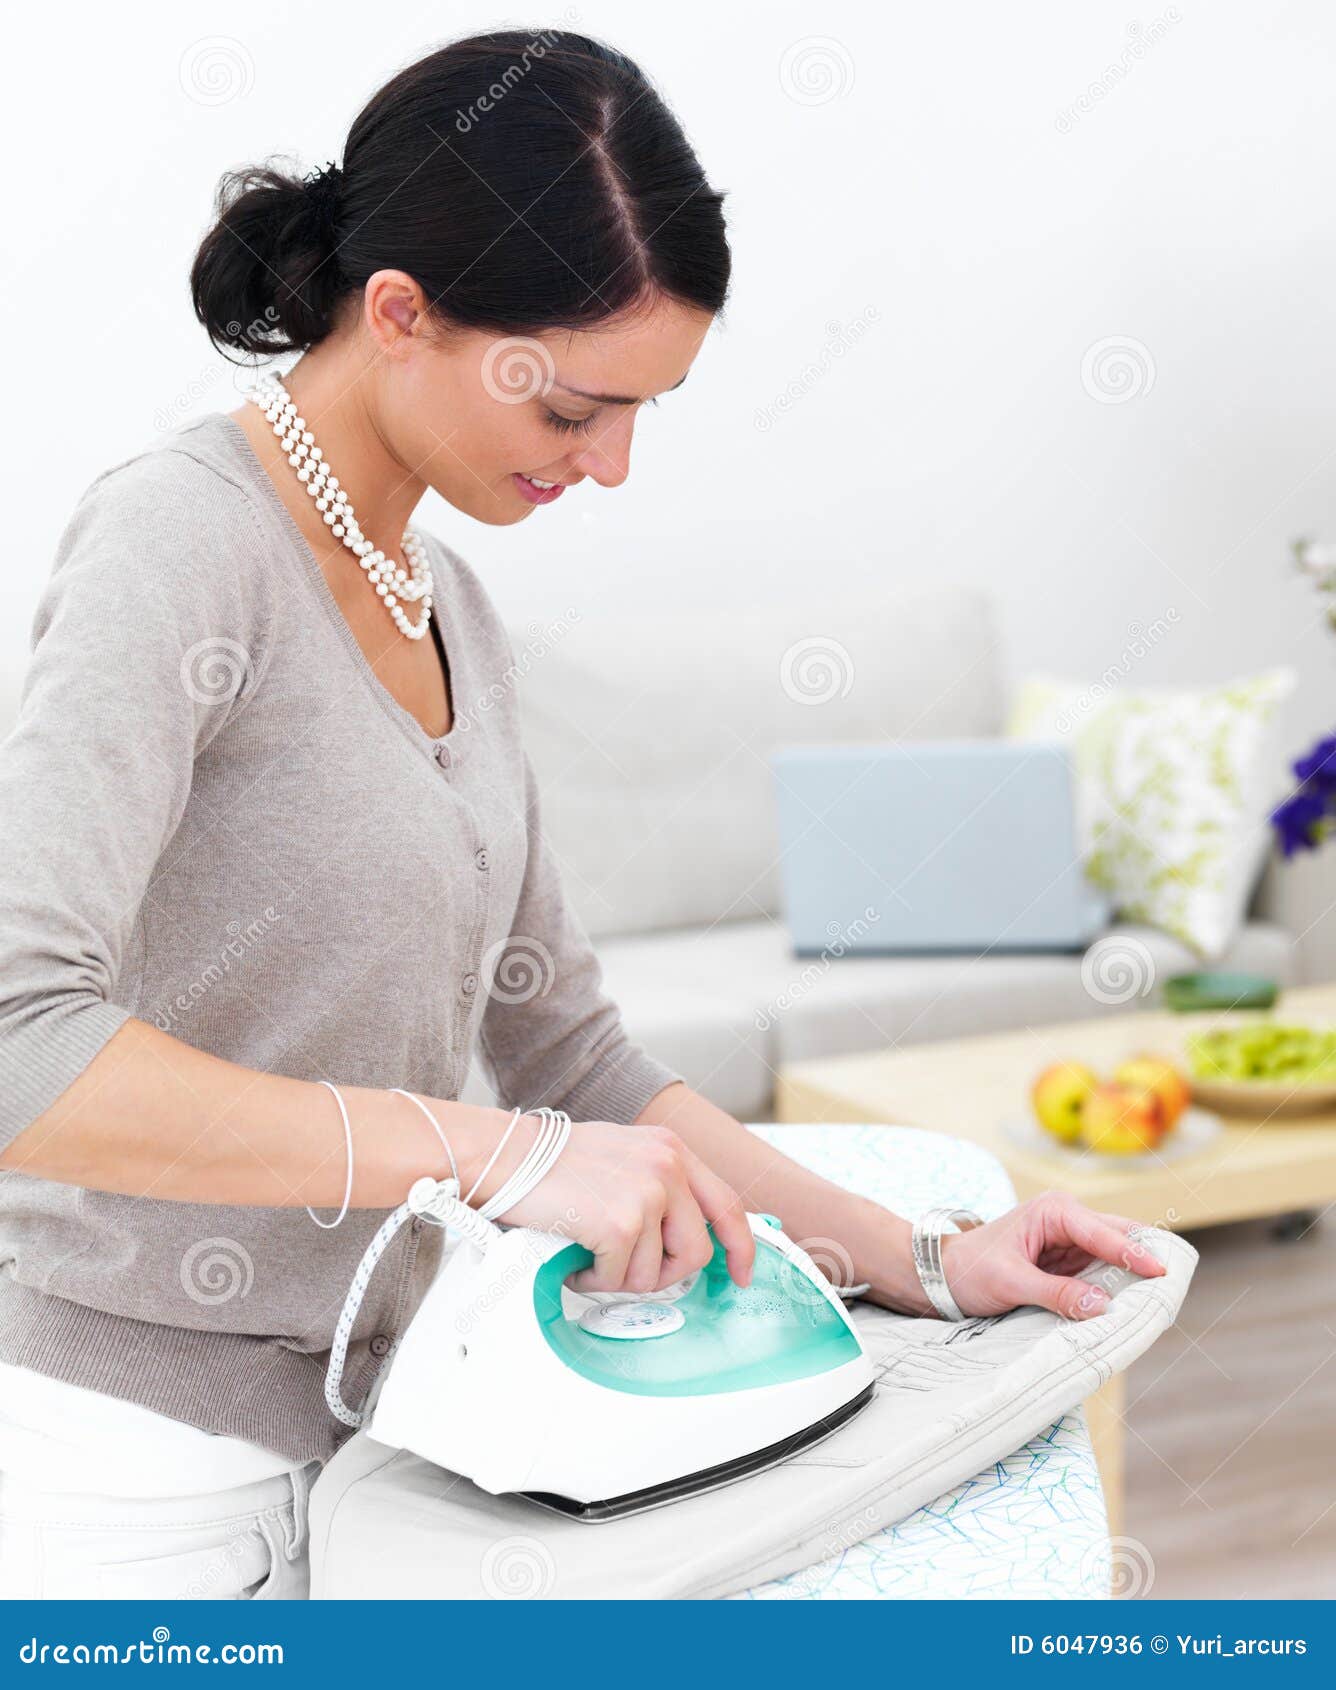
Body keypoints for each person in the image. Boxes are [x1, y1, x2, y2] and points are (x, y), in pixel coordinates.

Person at [0, 28, 1163, 1600]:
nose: (610, 466)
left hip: (393, 1440)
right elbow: (23, 1040)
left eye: (643, 414)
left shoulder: (452, 607)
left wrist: (932, 1259)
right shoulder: (177, 547)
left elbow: (577, 1059)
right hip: (132, 1464)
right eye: (569, 413)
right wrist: (497, 1158)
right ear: (400, 314)